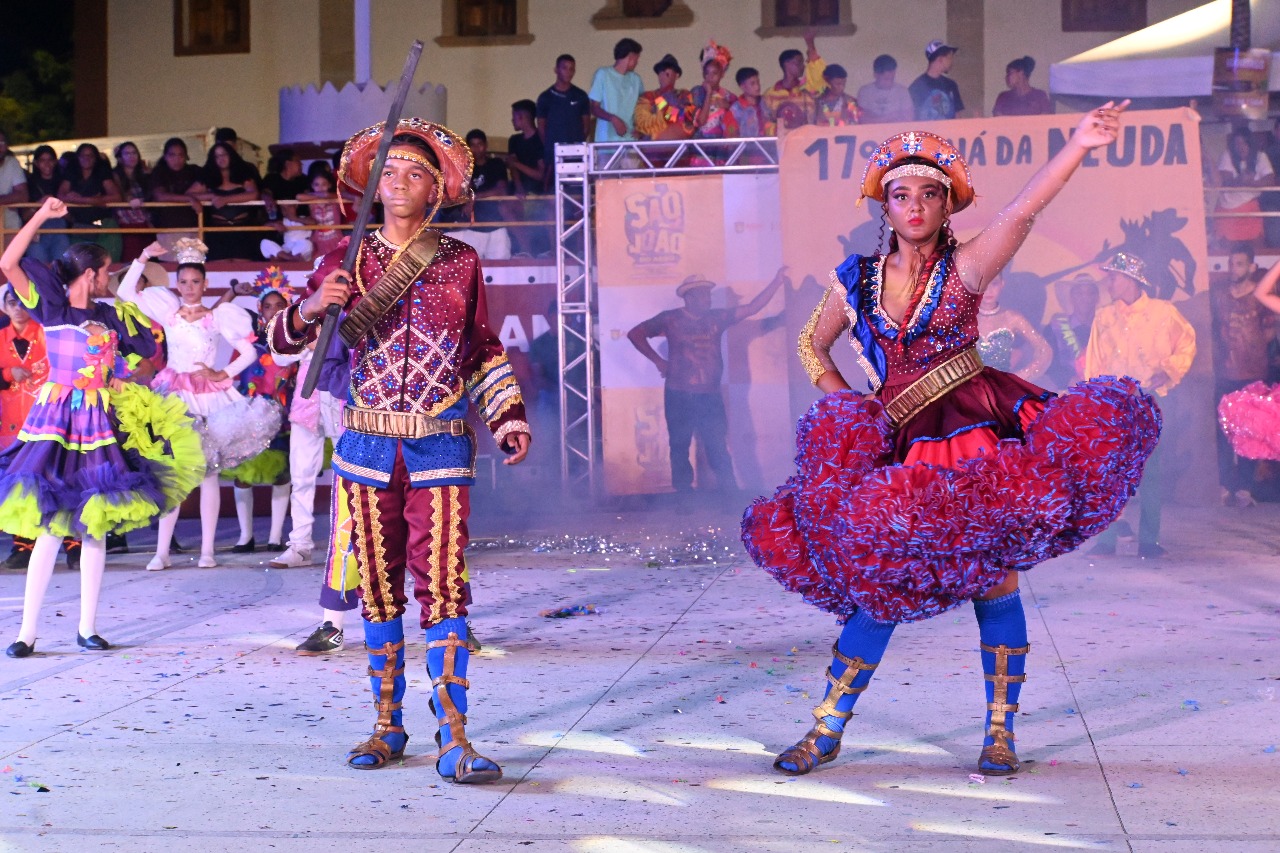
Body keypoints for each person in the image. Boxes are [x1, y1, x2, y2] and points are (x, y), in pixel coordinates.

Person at [744, 105, 1161, 779]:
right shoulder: (853, 278)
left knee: (994, 580)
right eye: (900, 194)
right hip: (898, 443)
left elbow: (1023, 210)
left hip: (973, 430)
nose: (914, 205)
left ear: (946, 205)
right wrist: (847, 403)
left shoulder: (967, 266)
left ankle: (1000, 734)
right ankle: (825, 730)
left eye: (928, 194)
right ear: (885, 205)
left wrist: (1079, 144)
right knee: (881, 586)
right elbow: (810, 344)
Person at [268, 117, 531, 781]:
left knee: (444, 587)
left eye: (415, 173)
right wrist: (310, 308)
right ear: (372, 186)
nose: (400, 182)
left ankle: (454, 735)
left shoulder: (461, 261)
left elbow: (480, 347)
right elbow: (283, 343)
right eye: (388, 172)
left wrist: (507, 416)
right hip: (365, 450)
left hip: (440, 450)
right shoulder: (344, 258)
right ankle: (388, 724)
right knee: (379, 590)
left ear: (435, 189)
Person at [0, 197, 203, 657]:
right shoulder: (51, 307)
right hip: (55, 421)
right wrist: (42, 215)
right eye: (107, 271)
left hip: (97, 421)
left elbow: (142, 357)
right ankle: (25, 633)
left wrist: (122, 379)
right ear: (90, 274)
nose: (109, 278)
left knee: (95, 522)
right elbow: (8, 262)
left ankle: (87, 627)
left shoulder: (109, 315)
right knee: (51, 524)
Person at [117, 239, 277, 571]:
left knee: (208, 475)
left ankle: (207, 551)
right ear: (177, 284)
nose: (189, 287)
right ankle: (161, 552)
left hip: (209, 397)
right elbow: (125, 291)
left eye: (195, 282)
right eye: (184, 282)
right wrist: (143, 257)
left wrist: (222, 373)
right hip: (174, 397)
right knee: (173, 472)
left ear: (205, 284)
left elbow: (249, 352)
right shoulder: (168, 312)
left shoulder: (218, 316)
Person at [627, 268, 788, 495]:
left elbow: (752, 308)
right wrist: (658, 361)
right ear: (689, 297)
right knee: (679, 446)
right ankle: (684, 497)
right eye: (703, 294)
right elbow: (635, 333)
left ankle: (729, 495)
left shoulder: (717, 318)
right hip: (679, 394)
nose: (708, 299)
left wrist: (777, 281)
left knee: (717, 446)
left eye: (708, 294)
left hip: (709, 395)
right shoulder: (670, 319)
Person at [1085, 252, 1195, 559]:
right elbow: (1095, 361)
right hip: (1114, 402)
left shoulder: (1163, 312)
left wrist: (1169, 370)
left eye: (1113, 277)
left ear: (1131, 280)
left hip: (1149, 398)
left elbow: (1186, 342)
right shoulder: (1104, 317)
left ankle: (1149, 540)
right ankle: (1106, 540)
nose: (1108, 283)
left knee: (1150, 470)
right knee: (1109, 469)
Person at [0, 285, 77, 573]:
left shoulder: (47, 333)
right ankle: (23, 544)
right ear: (5, 306)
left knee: (59, 479)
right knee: (17, 483)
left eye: (23, 301)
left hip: (47, 420)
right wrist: (7, 373)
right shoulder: (0, 337)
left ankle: (73, 542)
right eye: (12, 302)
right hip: (11, 422)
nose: (18, 307)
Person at [223, 282, 295, 553]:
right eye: (268, 306)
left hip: (282, 414)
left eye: (279, 306)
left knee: (281, 472)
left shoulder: (295, 340)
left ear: (288, 308)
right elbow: (234, 372)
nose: (273, 311)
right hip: (249, 414)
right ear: (259, 310)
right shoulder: (248, 340)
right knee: (243, 474)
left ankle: (275, 536)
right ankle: (245, 536)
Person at [1209, 243, 1268, 506]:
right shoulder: (1219, 295)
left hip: (1253, 373)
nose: (1234, 268)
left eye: (1240, 264)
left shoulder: (1260, 296)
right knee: (1223, 431)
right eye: (1231, 263)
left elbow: (1270, 331)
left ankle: (1244, 487)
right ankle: (1224, 485)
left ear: (1251, 267)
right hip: (1224, 373)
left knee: (1249, 431)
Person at [192, 142, 263, 261]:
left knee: (244, 267)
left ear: (231, 155)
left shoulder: (243, 174)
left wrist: (225, 199)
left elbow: (254, 194)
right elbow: (189, 194)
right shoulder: (208, 177)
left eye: (224, 154)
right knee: (219, 268)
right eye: (217, 156)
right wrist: (211, 196)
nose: (221, 159)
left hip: (242, 230)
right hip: (216, 231)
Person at [976, 274, 1051, 382]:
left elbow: (1045, 351)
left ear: (1002, 284)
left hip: (1001, 387)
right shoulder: (964, 319)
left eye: (994, 284)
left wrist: (1020, 377)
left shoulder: (1012, 318)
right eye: (983, 285)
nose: (989, 290)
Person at [59, 144, 123, 260]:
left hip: (104, 225)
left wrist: (80, 200)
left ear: (95, 158)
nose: (86, 158)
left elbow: (116, 197)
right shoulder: (71, 173)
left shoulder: (102, 172)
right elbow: (60, 196)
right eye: (83, 155)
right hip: (79, 225)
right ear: (77, 157)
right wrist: (96, 200)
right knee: (79, 263)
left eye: (90, 155)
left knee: (109, 261)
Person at [536, 54, 591, 188]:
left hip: (576, 155)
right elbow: (541, 128)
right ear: (556, 70)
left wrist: (576, 145)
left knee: (576, 192)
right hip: (553, 155)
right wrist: (550, 147)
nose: (568, 72)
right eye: (564, 68)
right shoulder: (545, 97)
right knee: (553, 192)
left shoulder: (581, 96)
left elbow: (586, 126)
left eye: (571, 69)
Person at [1214, 127, 1273, 248]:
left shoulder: (1260, 156)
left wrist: (1253, 183)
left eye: (1244, 143)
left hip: (1250, 208)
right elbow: (1226, 180)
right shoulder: (1227, 155)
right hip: (1227, 210)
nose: (1241, 147)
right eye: (1237, 143)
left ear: (1250, 144)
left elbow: (1270, 178)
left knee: (1257, 247)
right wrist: (1241, 180)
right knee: (1227, 250)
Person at [1042, 273, 1099, 390]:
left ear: (1097, 298)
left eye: (1090, 293)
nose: (1085, 298)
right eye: (1079, 293)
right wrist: (1068, 379)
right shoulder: (1053, 329)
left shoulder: (1106, 328)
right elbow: (1049, 364)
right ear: (1071, 297)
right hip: (1064, 391)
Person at [506, 99, 548, 256]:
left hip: (539, 192)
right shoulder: (514, 140)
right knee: (505, 208)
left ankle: (545, 251)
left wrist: (516, 164)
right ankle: (526, 251)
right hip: (520, 191)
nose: (512, 120)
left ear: (522, 117)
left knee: (542, 213)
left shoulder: (541, 140)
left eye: (514, 117)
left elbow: (540, 175)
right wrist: (519, 187)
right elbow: (512, 167)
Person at [763, 31, 826, 131]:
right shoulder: (770, 94)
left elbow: (820, 76)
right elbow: (765, 122)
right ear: (787, 64)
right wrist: (780, 131)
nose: (803, 66)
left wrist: (810, 44)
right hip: (782, 140)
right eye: (799, 62)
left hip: (806, 139)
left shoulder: (808, 89)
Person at [589, 38, 644, 144]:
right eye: (637, 58)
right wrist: (613, 119)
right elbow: (594, 108)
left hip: (631, 142)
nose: (637, 62)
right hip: (606, 142)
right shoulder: (603, 74)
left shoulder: (636, 80)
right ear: (631, 56)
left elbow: (642, 106)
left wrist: (640, 128)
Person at [21, 145, 69, 265]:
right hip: (36, 231)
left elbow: (71, 216)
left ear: (55, 162)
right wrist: (40, 203)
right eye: (42, 160)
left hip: (59, 231)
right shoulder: (28, 184)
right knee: (39, 268)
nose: (47, 164)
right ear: (36, 163)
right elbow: (24, 215)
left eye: (50, 160)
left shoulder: (64, 182)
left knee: (61, 267)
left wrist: (58, 206)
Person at [148, 137, 206, 232]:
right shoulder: (159, 172)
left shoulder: (194, 171)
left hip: (194, 226)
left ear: (186, 156)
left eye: (181, 155)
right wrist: (190, 199)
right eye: (172, 155)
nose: (177, 159)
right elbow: (160, 196)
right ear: (165, 156)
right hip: (167, 228)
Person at [633, 54, 693, 141]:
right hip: (651, 147)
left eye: (668, 72)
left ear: (676, 75)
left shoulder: (684, 95)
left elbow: (686, 122)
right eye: (660, 71)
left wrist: (659, 105)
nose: (663, 74)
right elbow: (642, 125)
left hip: (679, 147)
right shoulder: (647, 96)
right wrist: (670, 111)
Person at [112, 141, 153, 260]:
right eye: (127, 153)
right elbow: (119, 196)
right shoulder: (115, 175)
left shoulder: (144, 175)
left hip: (146, 223)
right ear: (120, 157)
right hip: (126, 224)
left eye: (134, 153)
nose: (131, 156)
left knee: (149, 261)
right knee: (132, 259)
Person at [690, 42, 738, 140]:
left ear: (722, 74)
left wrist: (728, 107)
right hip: (701, 143)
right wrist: (708, 94)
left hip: (723, 144)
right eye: (707, 73)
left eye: (714, 73)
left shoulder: (729, 96)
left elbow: (740, 120)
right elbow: (701, 121)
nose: (710, 77)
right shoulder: (697, 92)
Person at [910, 39, 965, 120]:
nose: (952, 62)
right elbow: (911, 117)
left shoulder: (951, 85)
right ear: (940, 59)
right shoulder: (916, 87)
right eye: (950, 57)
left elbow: (957, 116)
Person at [855, 55, 915, 126]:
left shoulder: (902, 91)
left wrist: (874, 117)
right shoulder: (865, 92)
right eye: (885, 79)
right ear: (875, 75)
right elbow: (862, 120)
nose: (889, 82)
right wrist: (891, 116)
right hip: (871, 131)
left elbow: (908, 119)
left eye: (891, 78)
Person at [0, 130, 29, 245]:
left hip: (9, 225)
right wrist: (9, 198)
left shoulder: (12, 163)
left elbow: (23, 195)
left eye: (2, 143)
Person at [729, 67, 772, 137]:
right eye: (752, 84)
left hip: (769, 143)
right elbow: (732, 137)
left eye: (758, 82)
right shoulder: (735, 110)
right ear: (743, 87)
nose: (757, 86)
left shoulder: (766, 102)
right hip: (747, 144)